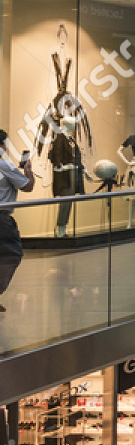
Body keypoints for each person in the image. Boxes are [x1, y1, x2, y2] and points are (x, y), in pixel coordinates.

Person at [0, 130, 35, 313]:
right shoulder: (4, 166)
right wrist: (28, 171)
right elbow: (27, 186)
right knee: (11, 255)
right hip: (2, 220)